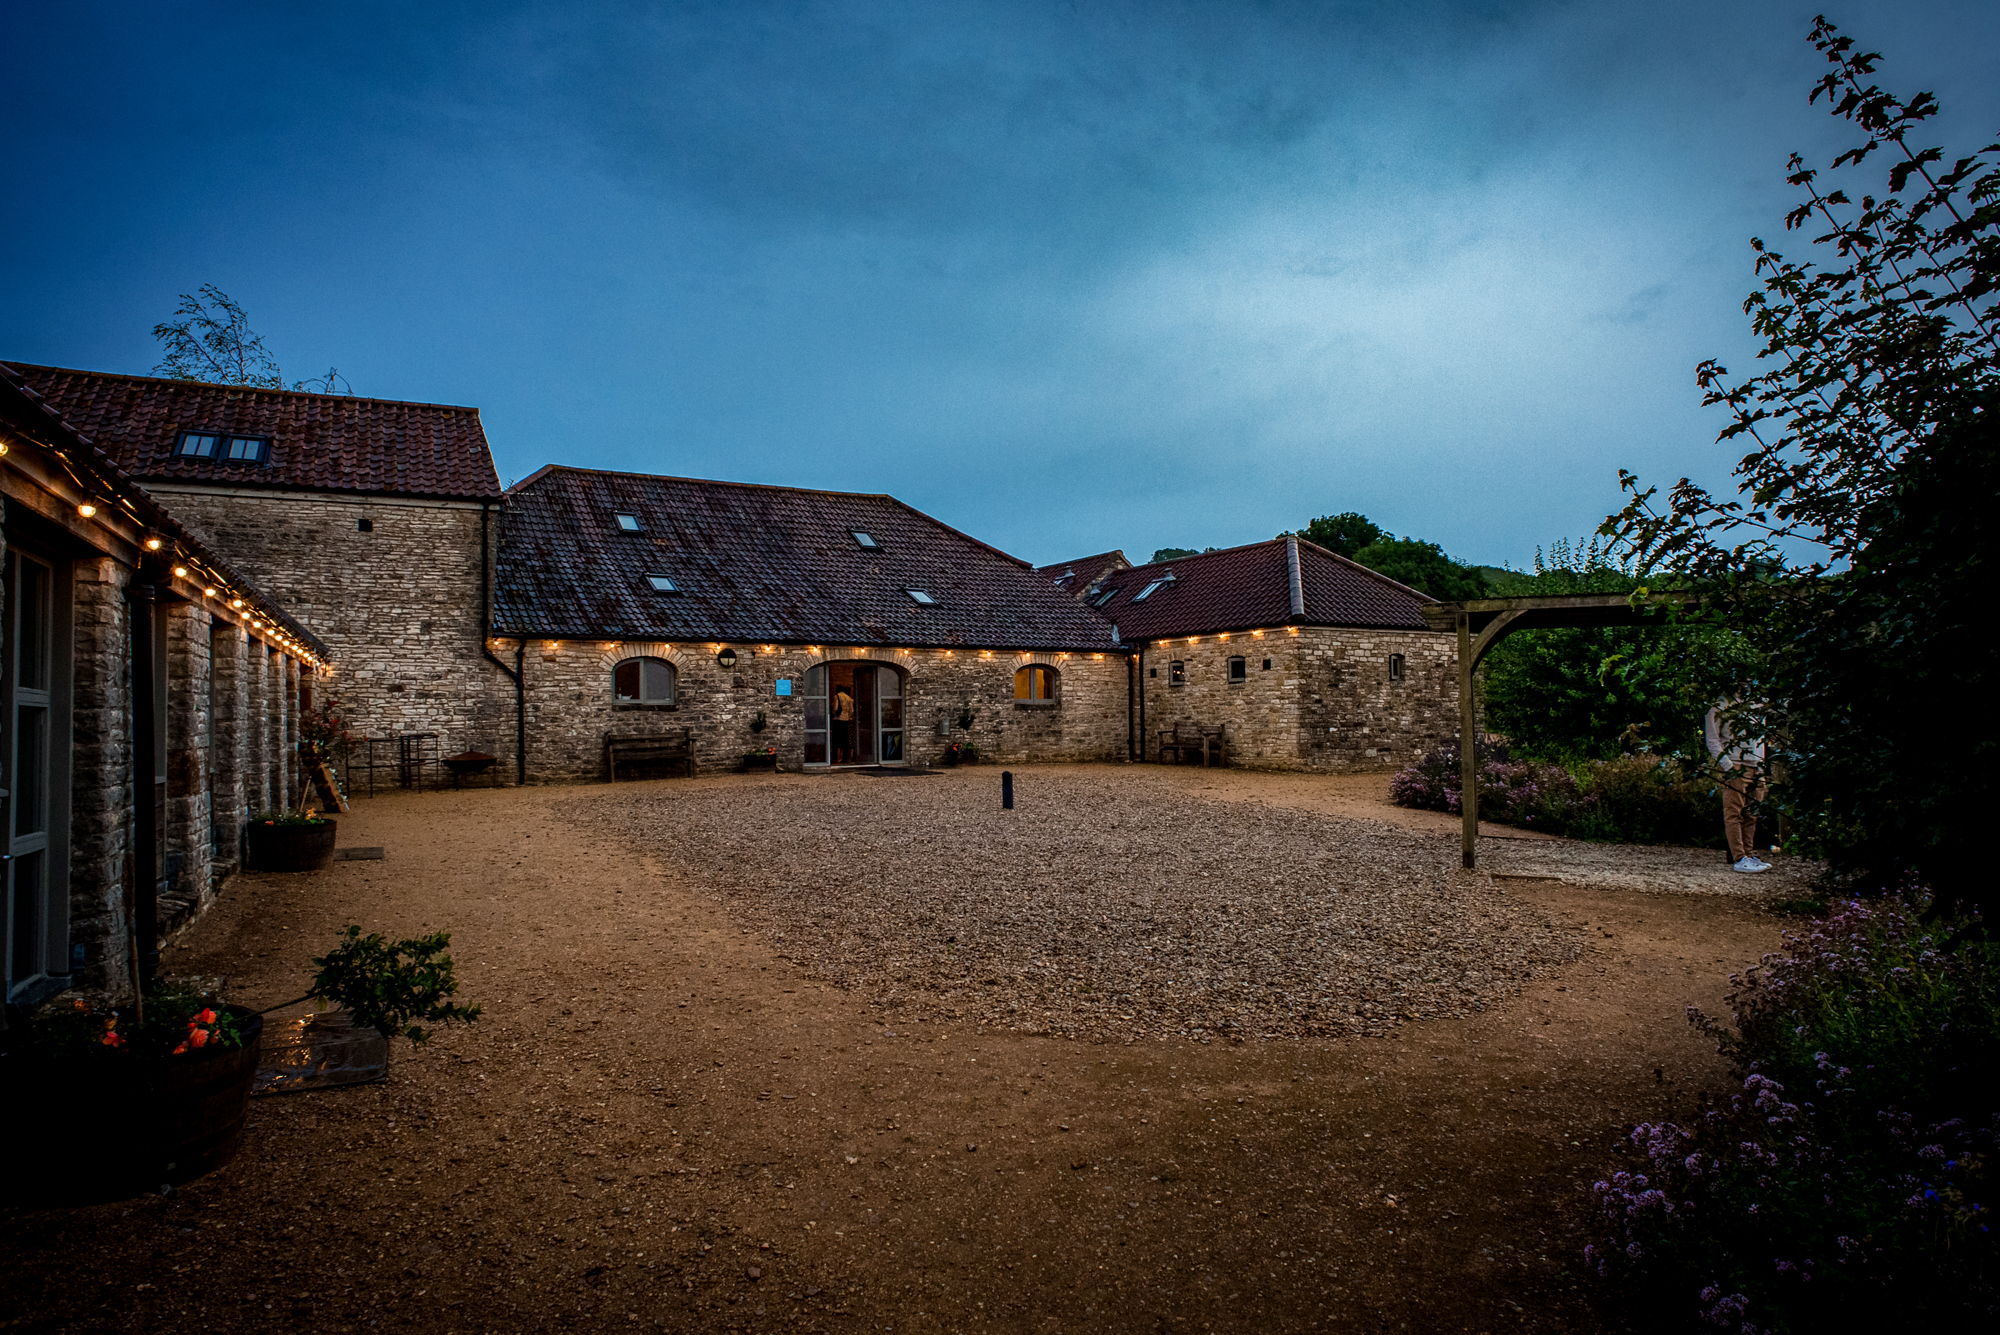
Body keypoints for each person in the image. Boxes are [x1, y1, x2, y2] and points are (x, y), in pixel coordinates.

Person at [1705, 700, 1770, 873]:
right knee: (1734, 811)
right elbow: (1712, 738)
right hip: (1736, 764)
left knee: (1753, 812)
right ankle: (1739, 857)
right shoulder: (1720, 704)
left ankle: (1748, 854)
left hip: (1757, 764)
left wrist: (1762, 764)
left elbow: (1761, 736)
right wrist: (1728, 766)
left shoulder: (1757, 703)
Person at [832, 686, 854, 765]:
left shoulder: (836, 696)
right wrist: (849, 717)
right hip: (846, 719)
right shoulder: (849, 698)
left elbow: (835, 708)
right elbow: (852, 710)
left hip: (838, 719)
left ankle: (837, 757)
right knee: (844, 738)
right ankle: (845, 757)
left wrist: (833, 714)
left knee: (837, 739)